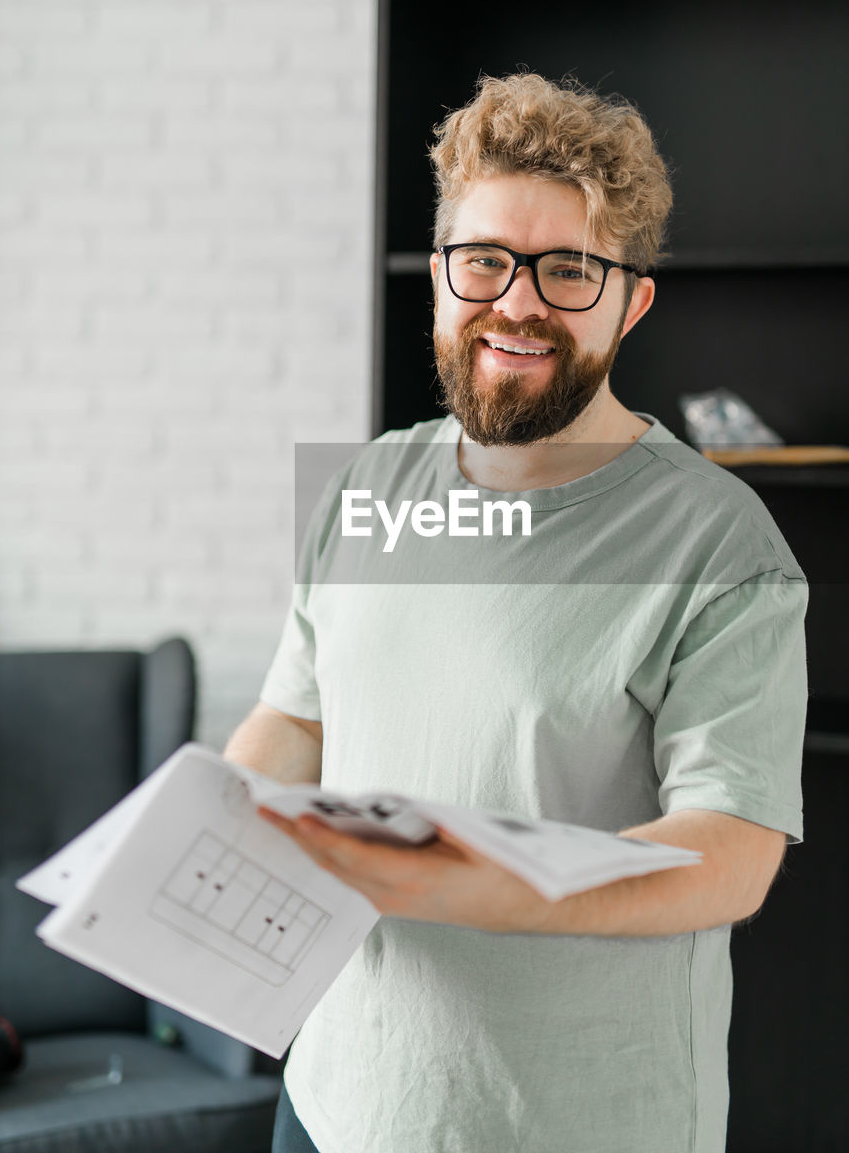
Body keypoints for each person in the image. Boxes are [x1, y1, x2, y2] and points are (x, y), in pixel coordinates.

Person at [224, 74, 807, 1153]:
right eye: (484, 260)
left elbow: (730, 850)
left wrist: (470, 882)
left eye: (569, 269)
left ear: (629, 300)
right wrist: (218, 821)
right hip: (334, 1094)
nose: (517, 301)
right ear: (442, 274)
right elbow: (298, 715)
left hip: (572, 1121)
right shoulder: (369, 483)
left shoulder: (720, 546)